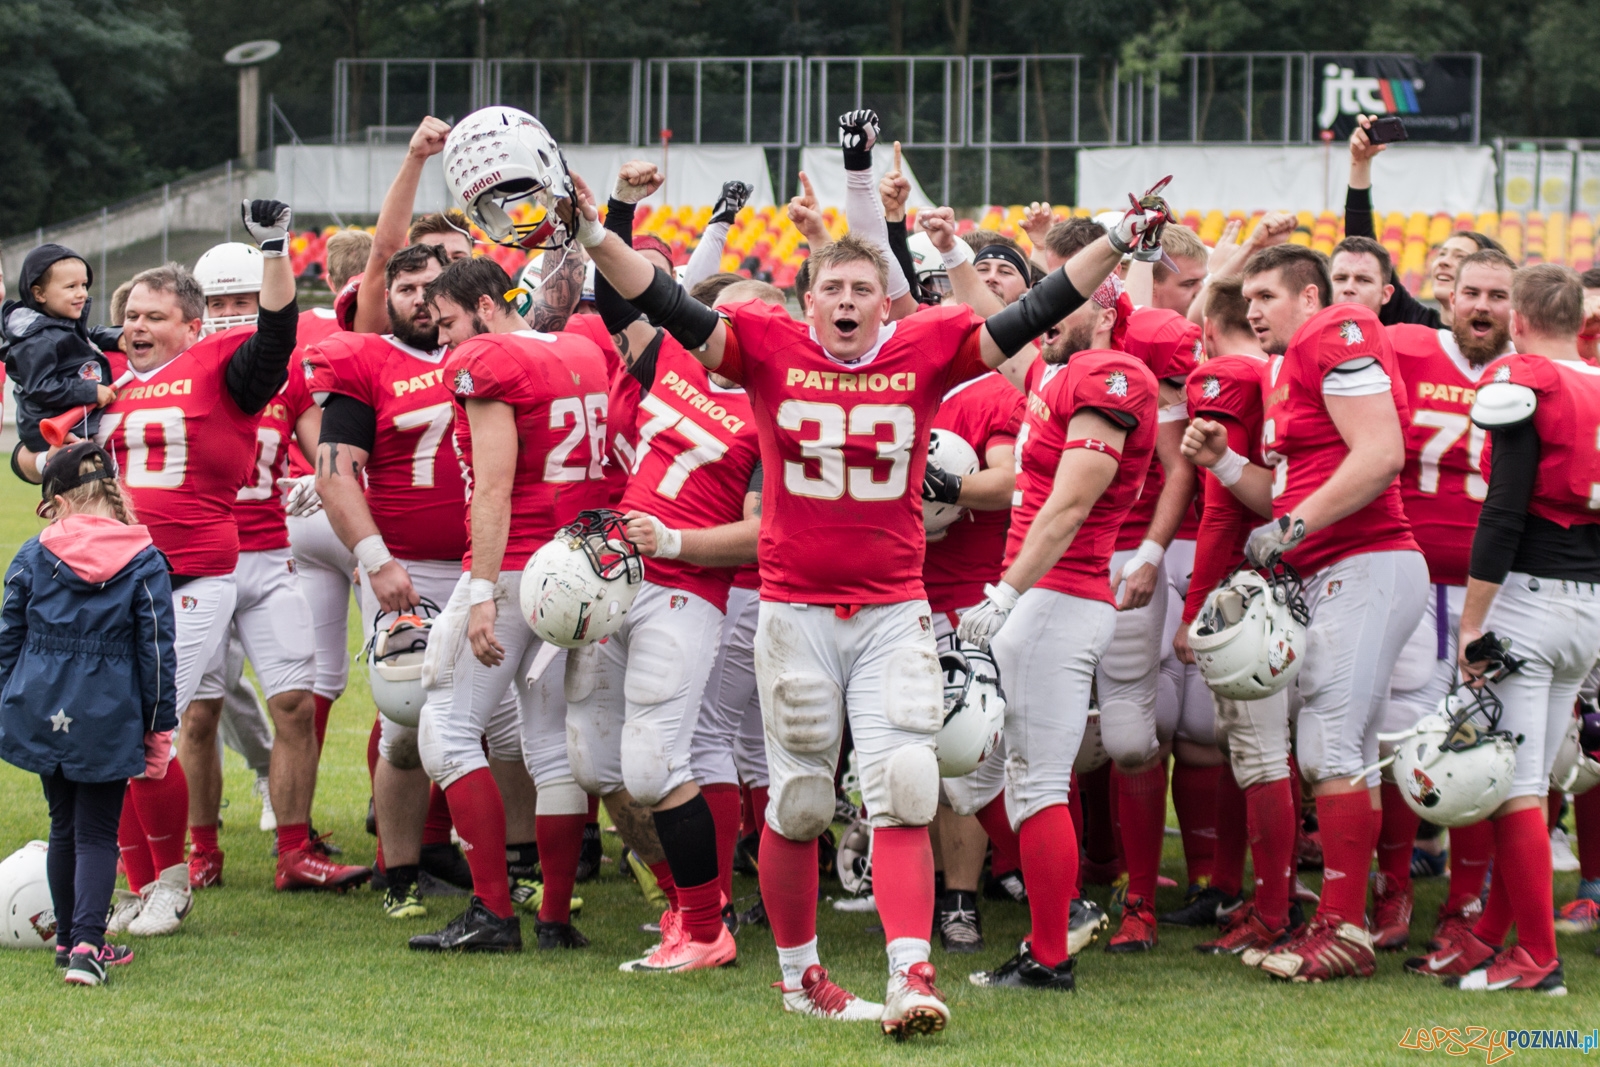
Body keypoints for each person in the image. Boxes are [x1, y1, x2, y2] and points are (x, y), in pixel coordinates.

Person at [576, 111, 1165, 1033]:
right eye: (831, 288)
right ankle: (801, 973)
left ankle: (910, 972)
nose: (847, 301)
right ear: (805, 301)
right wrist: (597, 233)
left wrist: (1121, 242)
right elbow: (663, 300)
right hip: (796, 608)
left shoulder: (923, 349)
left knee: (904, 786)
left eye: (862, 287)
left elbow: (1036, 309)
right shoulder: (766, 349)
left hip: (894, 606)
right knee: (804, 797)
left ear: (886, 302)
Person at [51, 200, 302, 936]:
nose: (136, 326)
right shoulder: (113, 388)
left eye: (154, 315)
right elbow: (41, 457)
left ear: (193, 326)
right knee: (107, 737)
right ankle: (134, 885)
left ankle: (171, 882)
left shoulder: (219, 365)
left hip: (189, 578)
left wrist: (276, 250)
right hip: (113, 581)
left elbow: (278, 334)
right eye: (130, 314)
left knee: (139, 736)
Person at [1183, 244, 1427, 983]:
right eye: (1245, 298)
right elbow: (1287, 493)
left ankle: (1346, 927)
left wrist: (1292, 529)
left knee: (1331, 746)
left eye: (1265, 295)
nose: (1250, 310)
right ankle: (1341, 918)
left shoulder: (1337, 326)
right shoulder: (1288, 364)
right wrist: (1228, 464)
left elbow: (1381, 452)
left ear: (1310, 294)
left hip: (1367, 561)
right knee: (1331, 745)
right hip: (1336, 568)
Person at [567, 175, 764, 971]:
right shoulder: (675, 363)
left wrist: (675, 542)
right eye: (739, 311)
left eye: (765, 316)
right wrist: (605, 214)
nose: (748, 326)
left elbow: (759, 536)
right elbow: (618, 303)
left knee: (657, 763)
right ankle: (690, 915)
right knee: (594, 758)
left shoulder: (771, 413)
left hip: (687, 590)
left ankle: (706, 926)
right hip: (622, 577)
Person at [957, 271, 1161, 990]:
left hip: (1055, 597)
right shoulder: (1060, 367)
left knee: (1038, 780)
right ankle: (1061, 904)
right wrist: (947, 250)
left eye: (1063, 300)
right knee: (971, 776)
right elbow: (999, 325)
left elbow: (1072, 506)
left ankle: (1049, 955)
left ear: (1103, 311)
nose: (1039, 312)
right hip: (1038, 595)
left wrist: (1006, 593)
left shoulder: (1111, 374)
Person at [406, 254, 610, 953]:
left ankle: (493, 909)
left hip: (519, 564)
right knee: (550, 744)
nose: (444, 343)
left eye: (448, 324)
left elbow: (491, 488)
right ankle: (554, 915)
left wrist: (484, 591)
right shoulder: (583, 346)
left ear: (487, 306)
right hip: (580, 566)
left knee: (448, 729)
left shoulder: (490, 359)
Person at [178, 240, 369, 894]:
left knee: (292, 702)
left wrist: (331, 474)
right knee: (197, 715)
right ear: (200, 309)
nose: (234, 312)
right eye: (222, 301)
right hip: (198, 559)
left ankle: (295, 848)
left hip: (266, 550)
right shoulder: (176, 372)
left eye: (244, 299)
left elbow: (322, 443)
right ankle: (201, 847)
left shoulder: (284, 369)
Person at [1434, 264, 1600, 996]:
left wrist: (1474, 623)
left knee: (1514, 786)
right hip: (1589, 603)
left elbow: (1501, 513)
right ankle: (1492, 937)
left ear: (1521, 318)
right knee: (1524, 778)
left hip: (1529, 598)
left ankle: (1536, 959)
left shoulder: (1526, 383)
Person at [309, 241, 478, 919]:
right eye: (403, 286)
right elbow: (334, 471)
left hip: (488, 560)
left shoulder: (490, 348)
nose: (416, 298)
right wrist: (376, 557)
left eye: (430, 285)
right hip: (406, 566)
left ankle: (520, 869)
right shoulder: (364, 360)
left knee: (509, 723)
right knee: (404, 721)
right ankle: (399, 872)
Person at [1375, 249, 1515, 957]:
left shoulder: (1530, 373)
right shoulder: (1405, 345)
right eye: (1472, 293)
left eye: (1498, 294)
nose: (1483, 306)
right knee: (1402, 739)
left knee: (1479, 743)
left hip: (1497, 590)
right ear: (1448, 297)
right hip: (1410, 577)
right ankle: (1394, 882)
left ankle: (1466, 897)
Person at [0, 443, 175, 986]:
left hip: (41, 706)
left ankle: (68, 946)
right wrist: (158, 725)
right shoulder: (144, 559)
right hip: (109, 712)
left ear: (56, 500)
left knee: (62, 826)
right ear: (113, 490)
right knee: (98, 832)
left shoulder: (34, 554)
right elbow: (157, 651)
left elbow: (8, 636)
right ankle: (87, 948)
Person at [1176, 277, 1301, 958]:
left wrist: (1195, 610)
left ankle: (1273, 909)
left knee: (1259, 753)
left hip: (1261, 584)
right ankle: (1248, 889)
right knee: (1274, 752)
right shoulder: (1288, 367)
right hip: (1324, 571)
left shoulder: (1223, 373)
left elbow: (1225, 505)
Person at [1343, 115, 1501, 328]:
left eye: (1460, 257)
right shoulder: (1414, 322)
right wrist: (1359, 163)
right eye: (1442, 254)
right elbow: (1362, 248)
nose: (1443, 262)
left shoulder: (1505, 342)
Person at [2, 244, 121, 459]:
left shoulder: (61, 324)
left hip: (71, 423)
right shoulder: (38, 340)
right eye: (71, 287)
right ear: (39, 294)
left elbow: (88, 337)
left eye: (84, 285)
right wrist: (90, 391)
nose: (82, 294)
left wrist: (117, 337)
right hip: (49, 429)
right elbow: (42, 387)